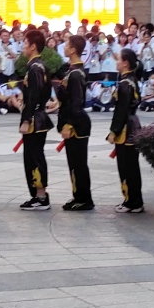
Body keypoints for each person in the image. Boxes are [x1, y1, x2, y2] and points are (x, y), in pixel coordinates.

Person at [58, 35, 94, 211]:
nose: (64, 47)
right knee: (73, 163)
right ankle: (78, 196)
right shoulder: (71, 70)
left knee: (79, 163)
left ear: (73, 50)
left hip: (78, 125)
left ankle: (85, 199)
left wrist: (69, 124)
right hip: (73, 121)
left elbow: (77, 102)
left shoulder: (76, 73)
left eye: (66, 44)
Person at [18, 30, 53, 211]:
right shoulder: (38, 67)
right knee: (32, 156)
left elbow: (34, 96)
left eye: (25, 43)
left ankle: (40, 196)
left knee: (35, 157)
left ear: (32, 46)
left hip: (35, 119)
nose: (23, 47)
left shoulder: (35, 68)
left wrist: (27, 119)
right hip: (36, 116)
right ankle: (37, 195)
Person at [107, 48, 144, 213]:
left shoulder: (125, 84)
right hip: (132, 124)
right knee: (131, 165)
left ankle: (132, 202)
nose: (116, 62)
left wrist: (114, 131)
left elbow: (121, 110)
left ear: (125, 63)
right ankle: (134, 200)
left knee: (127, 166)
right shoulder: (131, 80)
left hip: (126, 128)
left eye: (118, 59)